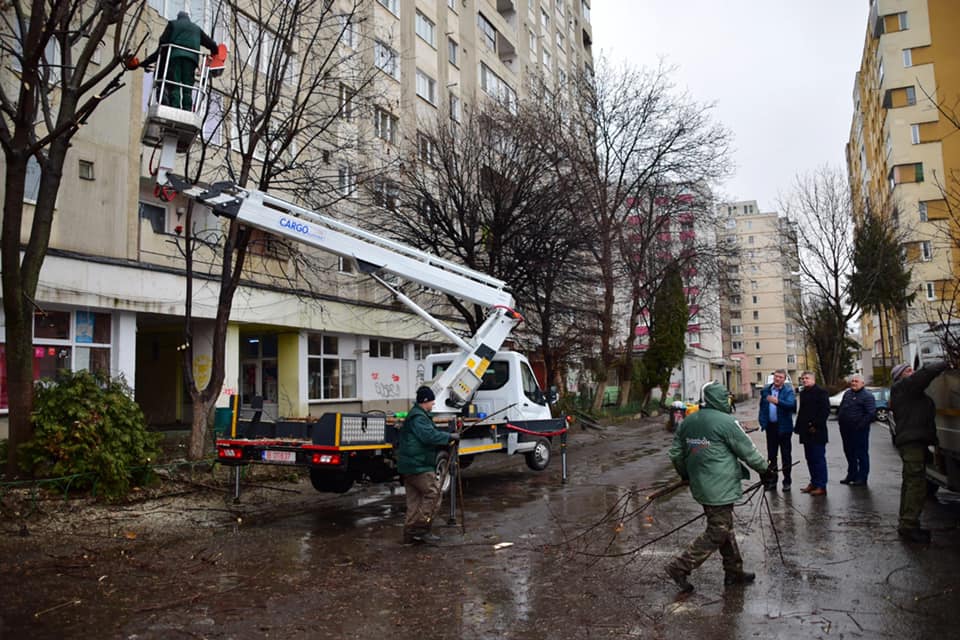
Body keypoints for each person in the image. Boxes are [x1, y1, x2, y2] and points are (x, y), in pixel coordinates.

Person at [666, 382, 772, 593]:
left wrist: (686, 475)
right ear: (718, 399)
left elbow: (676, 454)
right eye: (725, 397)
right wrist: (766, 470)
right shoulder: (726, 421)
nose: (727, 401)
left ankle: (733, 572)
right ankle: (680, 566)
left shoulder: (689, 420)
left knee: (724, 527)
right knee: (718, 530)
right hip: (719, 486)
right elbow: (747, 450)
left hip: (701, 483)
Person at [889, 361, 949, 544]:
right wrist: (945, 362)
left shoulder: (908, 391)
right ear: (900, 376)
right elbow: (926, 373)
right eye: (907, 370)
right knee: (915, 484)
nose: (912, 372)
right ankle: (909, 526)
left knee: (911, 482)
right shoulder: (905, 386)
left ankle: (907, 523)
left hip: (915, 442)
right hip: (912, 443)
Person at [397, 386, 460, 545]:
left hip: (409, 466)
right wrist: (449, 437)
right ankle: (421, 530)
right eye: (432, 401)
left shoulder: (417, 416)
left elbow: (429, 432)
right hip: (419, 466)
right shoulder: (419, 417)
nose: (433, 404)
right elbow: (429, 436)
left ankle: (409, 536)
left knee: (415, 502)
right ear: (425, 401)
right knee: (434, 495)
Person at [139, 11, 219, 110]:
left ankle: (175, 107)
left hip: (174, 58)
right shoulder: (196, 29)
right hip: (191, 60)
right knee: (187, 86)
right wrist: (214, 53)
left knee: (174, 84)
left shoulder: (173, 24)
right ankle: (187, 108)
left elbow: (162, 46)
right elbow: (212, 45)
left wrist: (145, 62)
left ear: (178, 18)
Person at [757, 369, 796, 491]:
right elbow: (762, 406)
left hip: (784, 427)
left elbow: (792, 406)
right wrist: (762, 421)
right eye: (776, 376)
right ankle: (772, 481)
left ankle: (787, 481)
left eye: (780, 377)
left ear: (784, 379)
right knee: (771, 456)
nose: (777, 379)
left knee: (786, 455)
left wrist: (778, 402)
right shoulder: (766, 390)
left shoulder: (788, 390)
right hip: (771, 427)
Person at [794, 371, 830, 496]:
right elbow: (802, 412)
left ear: (813, 379)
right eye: (803, 378)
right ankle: (814, 483)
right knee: (810, 459)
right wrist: (798, 428)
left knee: (818, 459)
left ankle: (821, 485)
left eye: (807, 378)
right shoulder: (803, 393)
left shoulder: (821, 392)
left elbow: (825, 411)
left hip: (817, 432)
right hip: (805, 433)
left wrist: (814, 425)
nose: (804, 380)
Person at [837, 374, 875, 486]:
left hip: (859, 431)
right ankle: (851, 475)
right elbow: (842, 407)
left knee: (861, 454)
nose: (853, 383)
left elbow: (871, 414)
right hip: (845, 430)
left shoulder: (867, 396)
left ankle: (862, 478)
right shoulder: (847, 393)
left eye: (856, 381)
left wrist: (860, 425)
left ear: (862, 383)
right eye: (852, 381)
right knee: (849, 453)